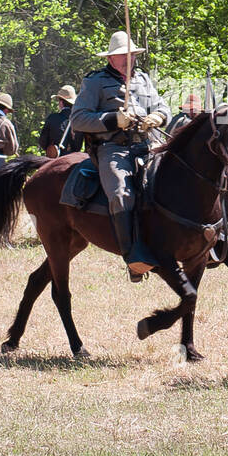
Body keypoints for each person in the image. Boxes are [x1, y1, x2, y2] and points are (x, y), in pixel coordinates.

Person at [69, 30, 170, 279]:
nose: (128, 59)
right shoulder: (95, 82)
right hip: (114, 149)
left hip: (147, 145)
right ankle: (133, 257)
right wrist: (115, 119)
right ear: (111, 58)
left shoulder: (143, 80)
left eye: (131, 55)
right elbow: (78, 119)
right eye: (122, 55)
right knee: (120, 193)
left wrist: (158, 116)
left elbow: (161, 106)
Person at [38, 85, 82, 158]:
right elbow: (78, 147)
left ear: (61, 102)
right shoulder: (78, 120)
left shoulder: (52, 118)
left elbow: (42, 142)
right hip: (73, 159)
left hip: (54, 159)